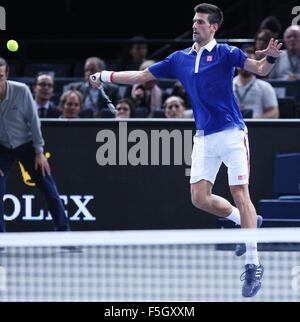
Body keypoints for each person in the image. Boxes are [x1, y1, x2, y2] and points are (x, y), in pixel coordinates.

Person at [89, 3, 282, 297]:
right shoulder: (179, 59)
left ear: (214, 27)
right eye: (194, 21)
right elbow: (141, 77)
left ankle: (253, 264)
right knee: (199, 198)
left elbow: (258, 69)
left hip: (232, 133)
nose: (195, 25)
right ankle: (242, 220)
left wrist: (268, 59)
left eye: (201, 22)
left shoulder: (226, 53)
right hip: (204, 137)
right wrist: (105, 76)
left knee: (240, 193)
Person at [0, 57, 70, 233]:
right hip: (1, 148)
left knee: (49, 190)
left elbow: (33, 121)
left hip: (26, 145)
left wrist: (39, 152)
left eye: (0, 76)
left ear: (6, 75)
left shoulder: (21, 91)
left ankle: (65, 235)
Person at [233, 48, 279, 118]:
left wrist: (256, 119)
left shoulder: (265, 86)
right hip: (232, 125)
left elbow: (274, 112)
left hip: (256, 126)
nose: (247, 67)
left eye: (251, 64)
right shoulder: (227, 85)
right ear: (236, 65)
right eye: (245, 63)